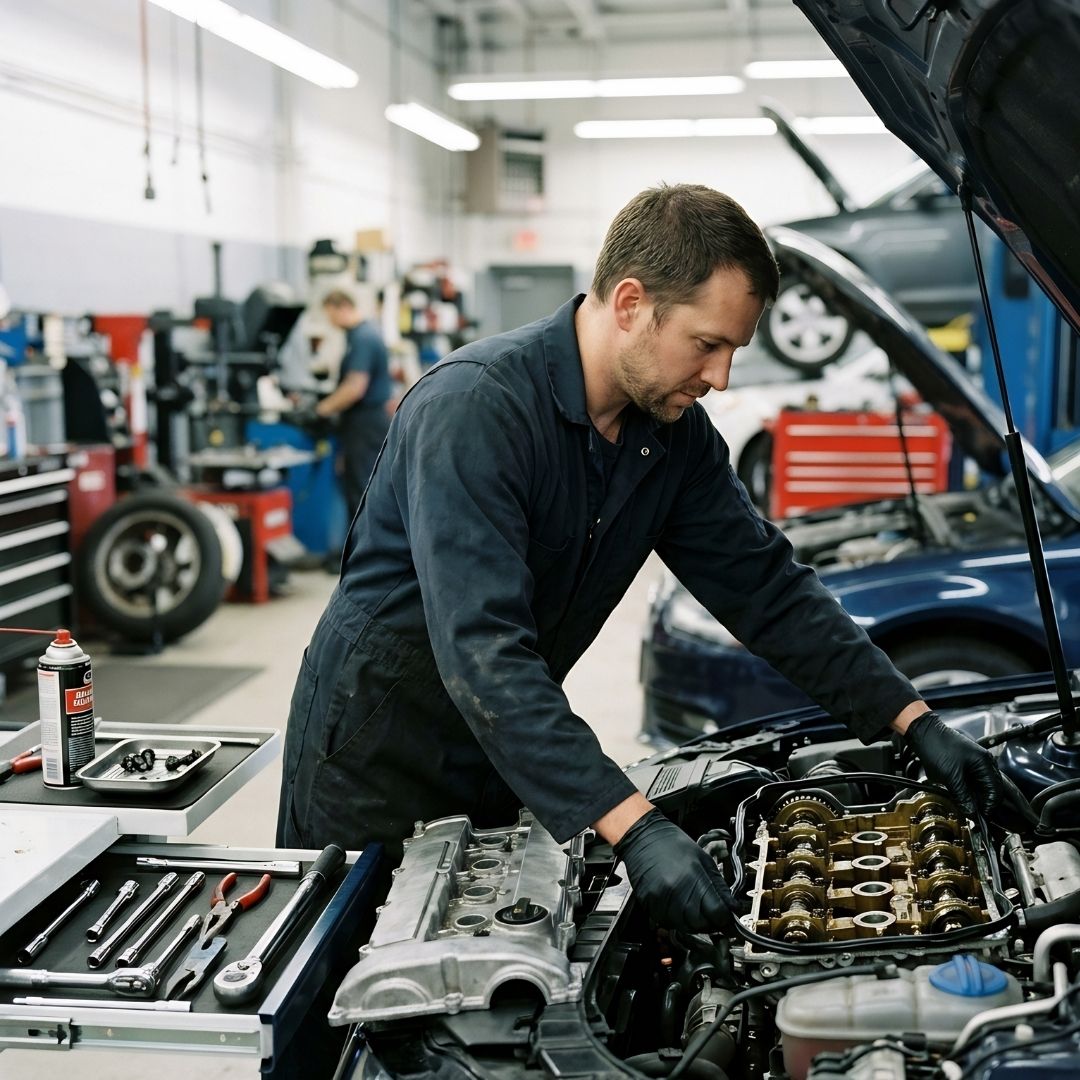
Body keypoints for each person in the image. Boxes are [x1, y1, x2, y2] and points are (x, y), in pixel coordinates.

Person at [277, 184, 1003, 934]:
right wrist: (633, 825)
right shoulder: (476, 409)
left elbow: (766, 588)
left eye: (733, 351)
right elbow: (484, 650)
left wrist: (914, 722)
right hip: (374, 761)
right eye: (707, 344)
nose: (720, 377)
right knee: (343, 977)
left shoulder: (671, 436)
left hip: (505, 750)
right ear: (630, 303)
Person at [315, 289, 393, 516]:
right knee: (360, 488)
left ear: (343, 308)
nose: (330, 321)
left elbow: (354, 388)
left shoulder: (363, 337)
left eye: (330, 314)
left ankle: (362, 539)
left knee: (362, 491)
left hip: (365, 424)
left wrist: (321, 409)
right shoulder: (361, 335)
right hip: (363, 423)